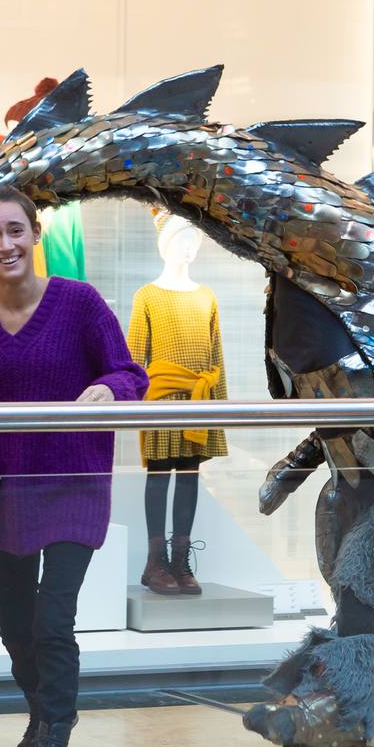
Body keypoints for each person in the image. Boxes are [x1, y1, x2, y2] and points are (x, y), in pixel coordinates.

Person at [0, 186, 147, 747]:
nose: (5, 245)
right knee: (14, 626)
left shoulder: (79, 303)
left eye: (15, 231)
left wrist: (109, 390)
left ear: (36, 234)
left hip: (71, 482)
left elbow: (129, 373)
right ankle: (40, 715)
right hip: (1, 490)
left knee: (53, 621)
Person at [126, 212, 228, 594]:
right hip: (161, 399)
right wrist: (132, 403)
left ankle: (181, 560)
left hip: (198, 399)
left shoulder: (207, 297)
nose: (191, 247)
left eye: (196, 240)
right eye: (184, 238)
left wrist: (218, 407)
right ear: (166, 243)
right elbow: (135, 356)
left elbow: (216, 358)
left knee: (189, 475)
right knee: (159, 475)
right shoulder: (147, 296)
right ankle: (155, 563)